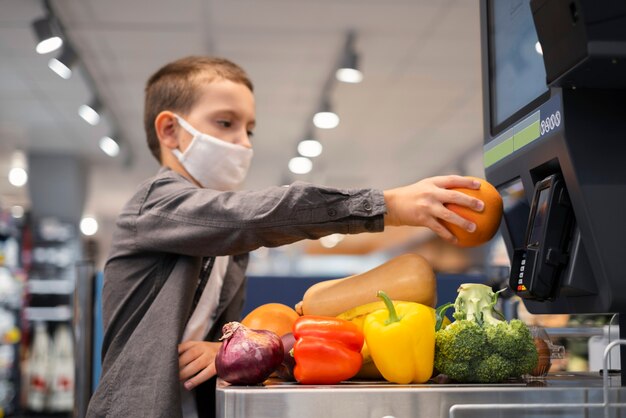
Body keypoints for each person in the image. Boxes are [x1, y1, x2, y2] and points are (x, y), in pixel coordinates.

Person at [86, 56, 485, 418]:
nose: (243, 143)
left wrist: (217, 350)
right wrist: (386, 205)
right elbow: (250, 219)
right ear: (170, 130)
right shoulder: (155, 205)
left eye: (250, 130)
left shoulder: (225, 247)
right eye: (226, 123)